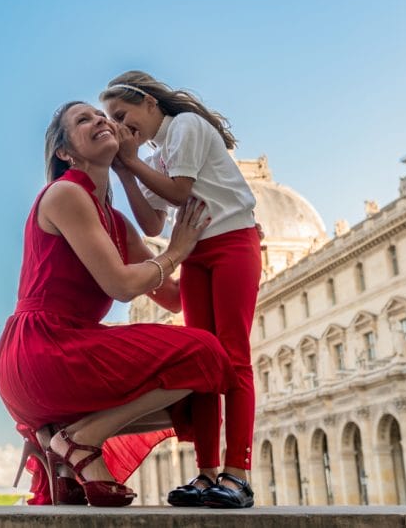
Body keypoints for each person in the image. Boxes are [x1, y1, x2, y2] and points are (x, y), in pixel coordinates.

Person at [0, 101, 237, 506]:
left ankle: (62, 442)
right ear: (65, 153)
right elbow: (122, 285)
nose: (99, 121)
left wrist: (226, 245)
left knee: (201, 392)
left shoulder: (118, 224)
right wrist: (176, 250)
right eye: (82, 120)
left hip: (63, 350)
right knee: (206, 353)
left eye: (101, 116)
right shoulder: (66, 193)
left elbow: (174, 298)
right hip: (43, 349)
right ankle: (78, 439)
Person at [100, 71, 262, 509]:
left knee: (233, 357)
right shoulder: (156, 154)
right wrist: (127, 172)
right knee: (204, 363)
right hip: (195, 253)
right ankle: (207, 473)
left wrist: (130, 161)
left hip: (232, 242)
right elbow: (153, 224)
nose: (117, 125)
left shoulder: (186, 127)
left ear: (150, 103)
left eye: (121, 114)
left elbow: (180, 190)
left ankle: (238, 474)